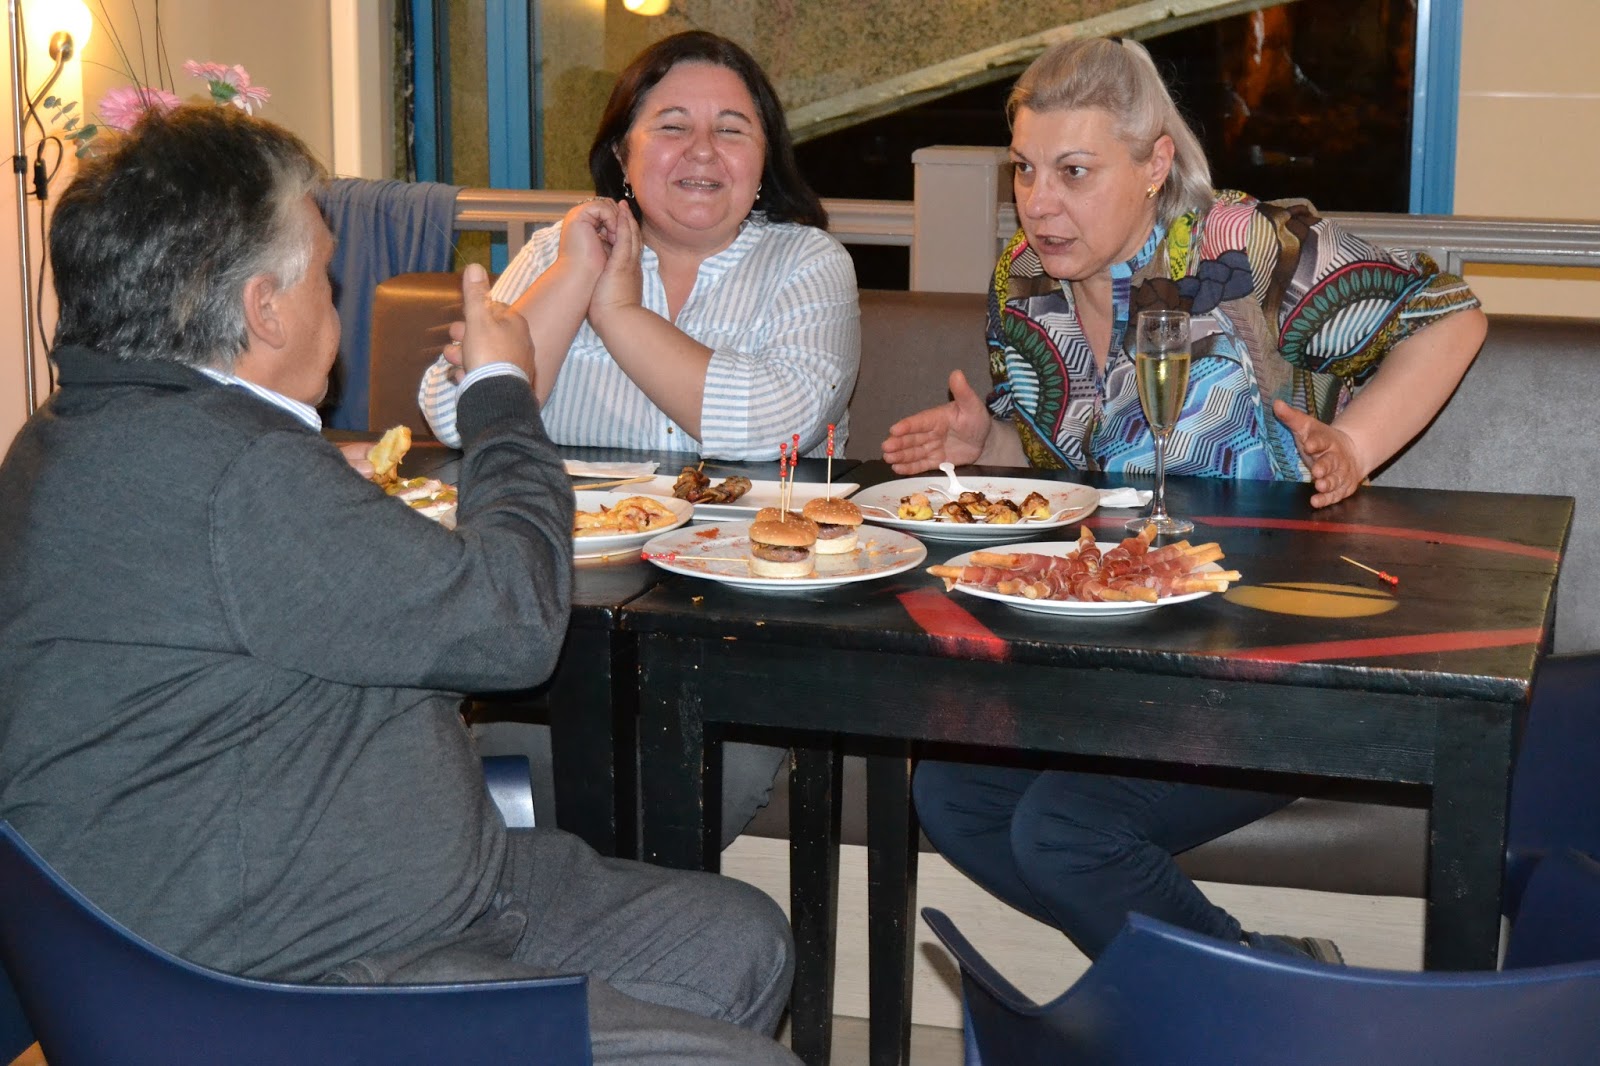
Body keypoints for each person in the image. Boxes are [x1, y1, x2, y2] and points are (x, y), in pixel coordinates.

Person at [0, 105, 800, 1065]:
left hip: (390, 890)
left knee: (741, 940)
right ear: (263, 309)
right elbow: (515, 624)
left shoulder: (67, 437)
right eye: (324, 276)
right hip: (288, 979)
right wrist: (502, 395)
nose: (336, 302)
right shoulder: (243, 476)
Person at [889, 38, 1487, 963]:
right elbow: (1064, 473)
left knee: (1065, 831)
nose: (1038, 202)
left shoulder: (1241, 248)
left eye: (1074, 172)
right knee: (950, 795)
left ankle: (1258, 995)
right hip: (1119, 659)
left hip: (1275, 659)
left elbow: (1449, 317)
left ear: (1154, 162)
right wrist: (986, 447)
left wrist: (1354, 446)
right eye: (1025, 169)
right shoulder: (1024, 281)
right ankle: (1262, 976)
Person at [423, 30, 854, 848]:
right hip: (560, 630)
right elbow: (455, 416)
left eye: (732, 129)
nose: (703, 151)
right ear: (623, 151)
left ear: (765, 156)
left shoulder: (807, 263)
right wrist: (577, 276)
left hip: (733, 635)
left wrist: (618, 314)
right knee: (499, 796)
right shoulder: (558, 250)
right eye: (672, 126)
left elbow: (775, 423)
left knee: (678, 808)